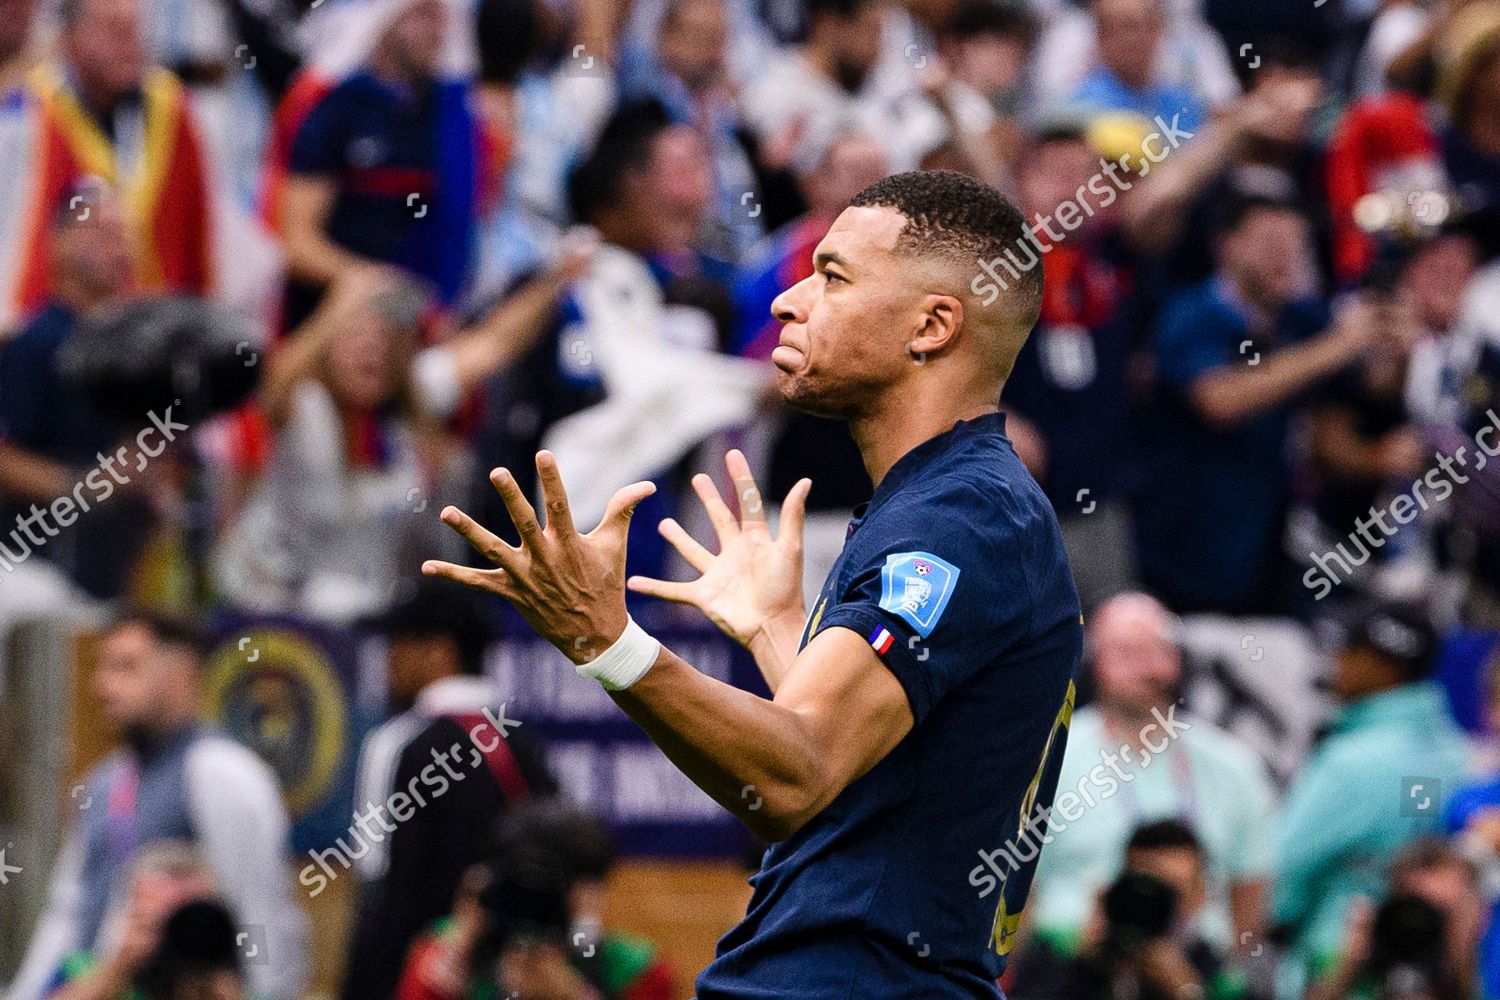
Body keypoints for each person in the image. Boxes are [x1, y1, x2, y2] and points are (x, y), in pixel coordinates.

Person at [421, 169, 1083, 996]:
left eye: (833, 277)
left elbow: (795, 776)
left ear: (933, 326)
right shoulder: (947, 504)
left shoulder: (961, 519)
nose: (786, 301)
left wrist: (607, 641)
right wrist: (778, 630)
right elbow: (861, 770)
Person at [11, 610, 309, 1000]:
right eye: (103, 667)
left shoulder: (221, 773)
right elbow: (68, 911)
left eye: (127, 666)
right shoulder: (102, 783)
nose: (103, 685)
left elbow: (263, 917)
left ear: (180, 674)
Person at [1133, 193, 1385, 613]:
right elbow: (1219, 400)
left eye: (1295, 246)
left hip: (1262, 554)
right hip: (1175, 554)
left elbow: (1372, 386)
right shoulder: (1190, 313)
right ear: (1226, 246)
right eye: (1271, 243)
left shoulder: (1303, 318)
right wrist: (1338, 345)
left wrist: (1396, 338)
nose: (1285, 258)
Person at [1025, 593, 1276, 965]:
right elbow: (1019, 893)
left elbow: (1251, 897)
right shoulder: (1048, 760)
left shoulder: (1234, 766)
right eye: (1128, 653)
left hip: (1195, 963)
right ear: (1096, 663)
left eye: (1159, 651)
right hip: (1072, 964)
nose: (1149, 669)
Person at [341, 577, 558, 1000]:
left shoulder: (399, 742)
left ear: (440, 651)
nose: (388, 661)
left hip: (427, 978)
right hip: (518, 980)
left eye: (398, 645)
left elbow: (380, 888)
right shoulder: (524, 743)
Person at [1272, 601, 1471, 997]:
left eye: (1351, 649)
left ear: (1387, 665)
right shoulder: (1461, 758)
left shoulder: (1352, 763)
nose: (1337, 661)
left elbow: (1276, 875)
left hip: (1339, 972)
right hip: (1438, 977)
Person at [266, 0, 491, 329]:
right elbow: (297, 242)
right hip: (330, 321)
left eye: (443, 18)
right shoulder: (334, 110)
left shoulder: (451, 122)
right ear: (384, 18)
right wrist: (375, 283)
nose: (438, 31)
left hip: (419, 323)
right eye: (422, 15)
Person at [2, 0, 215, 325]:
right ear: (70, 37)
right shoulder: (28, 114)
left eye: (133, 28)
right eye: (112, 28)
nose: (128, 41)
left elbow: (195, 233)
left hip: (160, 325)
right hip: (60, 325)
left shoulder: (172, 106)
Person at [0, 182, 157, 602]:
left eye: (124, 237)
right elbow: (5, 459)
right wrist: (86, 486)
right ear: (60, 245)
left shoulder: (132, 348)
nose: (119, 250)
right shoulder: (38, 343)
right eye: (103, 235)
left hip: (111, 565)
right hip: (36, 566)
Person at [394, 800, 674, 1000]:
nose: (533, 900)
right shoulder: (447, 952)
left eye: (549, 889)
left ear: (591, 893)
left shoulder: (633, 969)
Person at [1013, 819, 1248, 1000]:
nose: (1152, 905)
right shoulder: (1063, 957)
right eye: (1144, 887)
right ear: (1116, 889)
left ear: (1199, 897)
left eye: (1170, 893)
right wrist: (1084, 967)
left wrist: (1187, 990)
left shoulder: (1220, 977)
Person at [42, 841, 224, 1000]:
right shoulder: (80, 971)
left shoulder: (233, 983)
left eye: (189, 923)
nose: (174, 938)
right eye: (159, 925)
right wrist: (117, 971)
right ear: (130, 918)